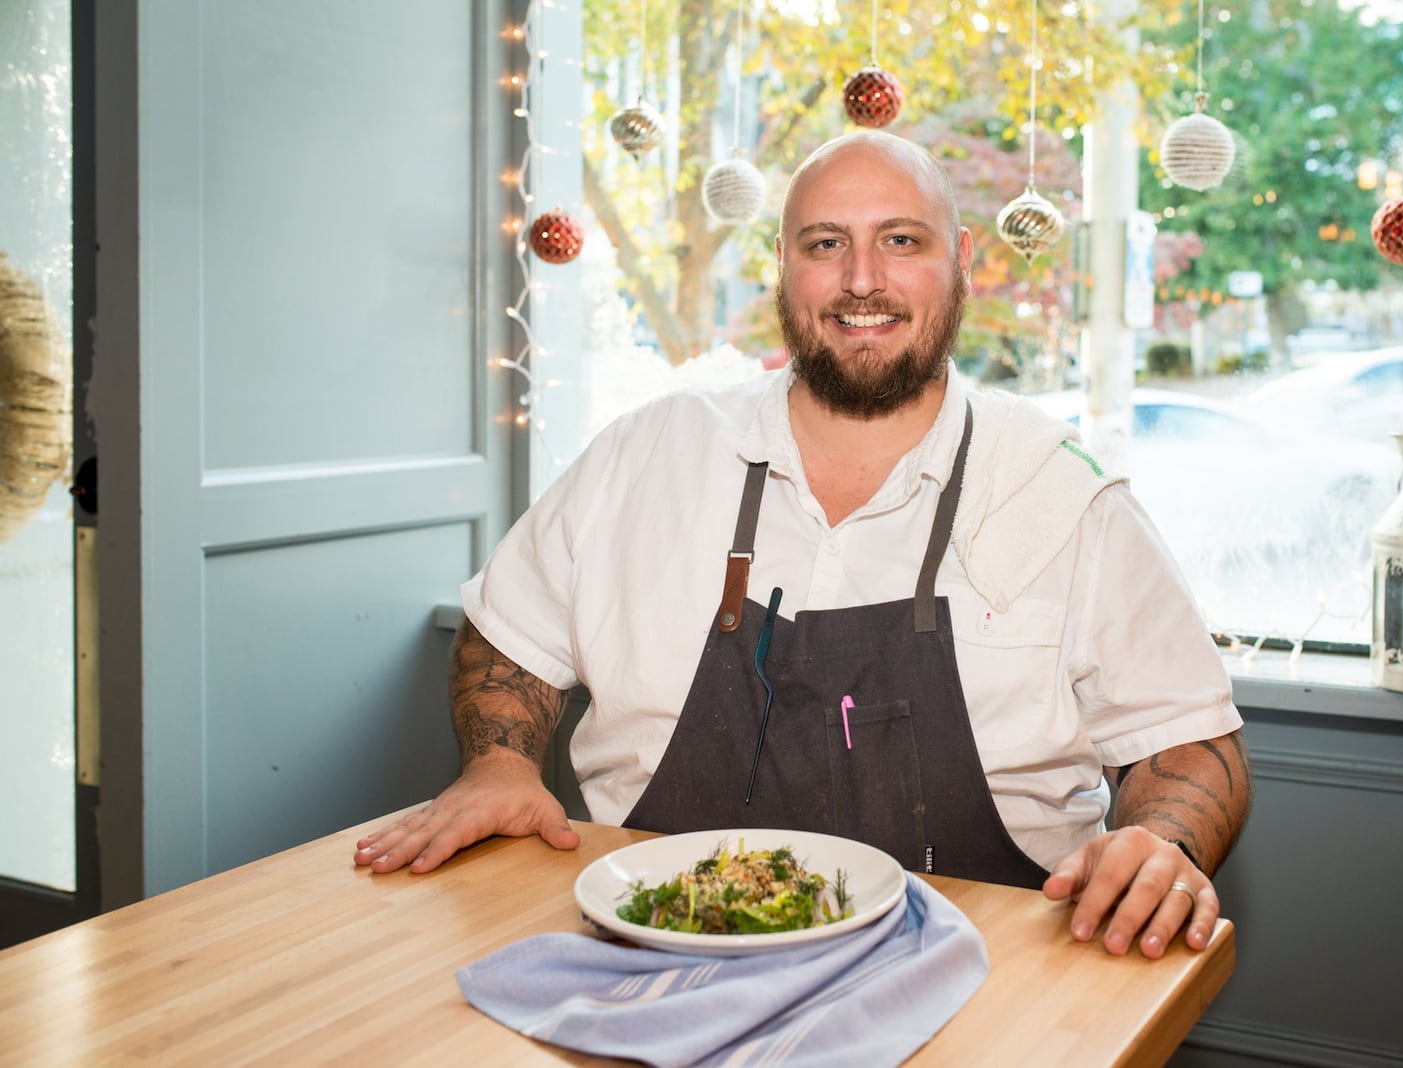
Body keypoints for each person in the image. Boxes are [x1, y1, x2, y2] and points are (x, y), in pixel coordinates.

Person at [355, 130, 1251, 959]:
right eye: (826, 244)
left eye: (902, 241)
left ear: (962, 259)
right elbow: (509, 634)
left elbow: (1186, 744)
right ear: (783, 266)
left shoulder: (1062, 492)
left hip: (993, 985)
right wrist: (499, 762)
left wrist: (1160, 842)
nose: (863, 279)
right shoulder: (647, 454)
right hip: (653, 968)